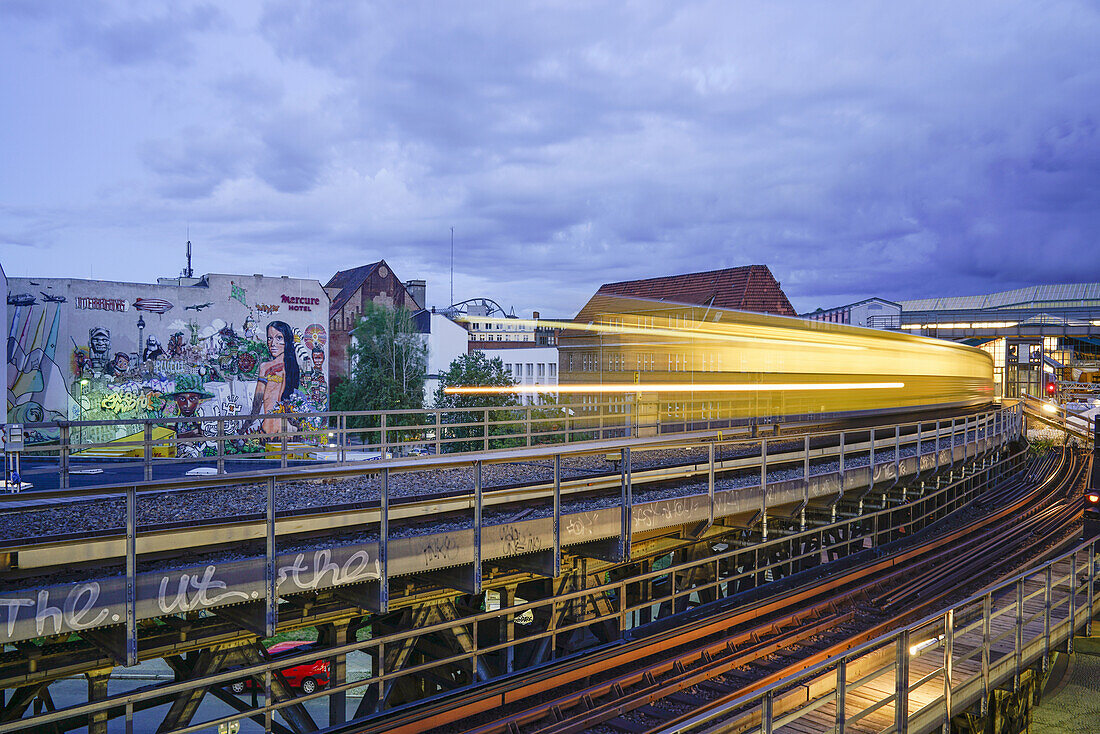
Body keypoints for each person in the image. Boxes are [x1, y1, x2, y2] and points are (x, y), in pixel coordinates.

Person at [249, 321, 300, 434]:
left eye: (279, 338)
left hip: (274, 428)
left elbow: (257, 403)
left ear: (287, 341)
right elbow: (258, 401)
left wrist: (246, 425)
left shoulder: (268, 368)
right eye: (269, 338)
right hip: (282, 428)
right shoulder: (267, 367)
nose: (272, 343)